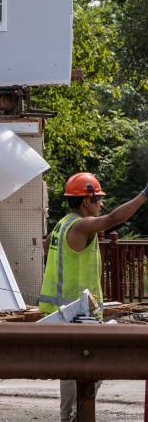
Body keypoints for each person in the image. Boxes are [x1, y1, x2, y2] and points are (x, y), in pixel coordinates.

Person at [39, 172, 148, 422]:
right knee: (95, 366)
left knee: (70, 371)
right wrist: (144, 195)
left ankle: (69, 417)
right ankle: (78, 416)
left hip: (64, 313)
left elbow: (46, 247)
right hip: (77, 315)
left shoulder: (62, 224)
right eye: (97, 199)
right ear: (86, 201)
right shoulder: (80, 225)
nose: (101, 204)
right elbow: (113, 219)